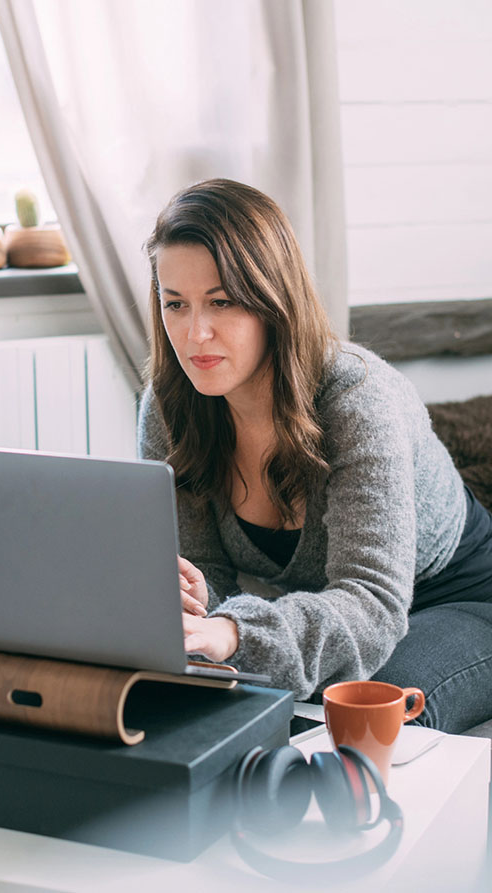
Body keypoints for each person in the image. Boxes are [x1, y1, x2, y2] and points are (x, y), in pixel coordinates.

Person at [137, 178, 492, 734]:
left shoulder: (358, 399)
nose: (194, 333)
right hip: (322, 605)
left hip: (457, 598)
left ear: (273, 300)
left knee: (359, 718)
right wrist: (202, 608)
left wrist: (233, 632)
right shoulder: (169, 408)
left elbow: (371, 605)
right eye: (174, 304)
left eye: (222, 301)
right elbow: (204, 582)